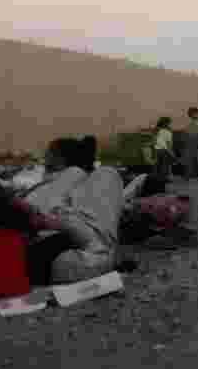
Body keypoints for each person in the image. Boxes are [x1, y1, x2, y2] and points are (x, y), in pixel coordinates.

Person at [14, 138, 126, 283]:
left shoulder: (55, 179)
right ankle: (100, 253)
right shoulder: (73, 174)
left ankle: (98, 250)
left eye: (48, 152)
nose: (45, 155)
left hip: (39, 250)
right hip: (48, 252)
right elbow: (40, 215)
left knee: (101, 175)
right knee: (107, 173)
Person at [184, 107, 198, 180]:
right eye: (197, 113)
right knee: (190, 159)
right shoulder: (192, 123)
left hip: (196, 142)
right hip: (193, 142)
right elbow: (193, 135)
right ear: (192, 114)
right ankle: (188, 175)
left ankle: (192, 174)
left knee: (196, 159)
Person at [153, 117, 176, 181]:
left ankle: (156, 178)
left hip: (157, 149)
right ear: (167, 123)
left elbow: (154, 141)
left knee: (158, 165)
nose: (171, 124)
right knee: (166, 165)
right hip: (164, 150)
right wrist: (171, 152)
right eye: (170, 123)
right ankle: (166, 177)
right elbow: (169, 144)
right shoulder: (168, 132)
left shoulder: (157, 130)